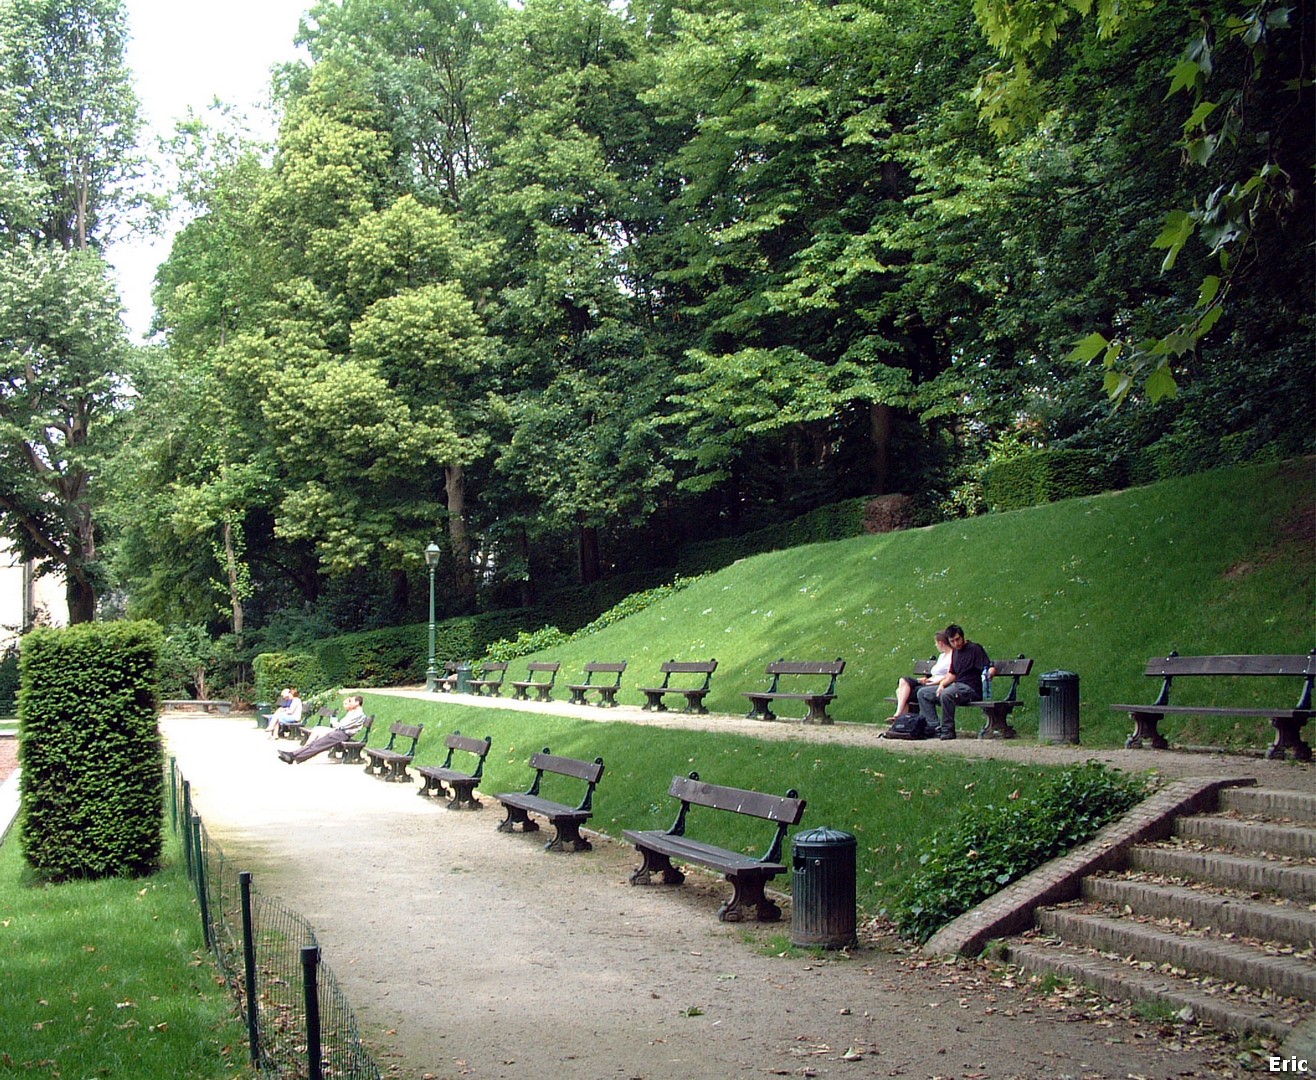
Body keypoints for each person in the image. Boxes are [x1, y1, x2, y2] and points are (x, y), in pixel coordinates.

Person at [915, 624, 994, 740]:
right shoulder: (955, 653)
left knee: (947, 694)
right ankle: (933, 726)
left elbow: (989, 666)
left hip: (971, 689)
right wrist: (941, 685)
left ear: (962, 637)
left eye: (958, 639)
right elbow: (952, 674)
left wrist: (990, 673)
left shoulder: (975, 649)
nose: (956, 643)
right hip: (956, 686)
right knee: (923, 693)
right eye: (952, 641)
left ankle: (948, 729)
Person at [278, 695, 366, 764]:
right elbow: (342, 725)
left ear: (357, 703)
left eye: (351, 701)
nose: (350, 702)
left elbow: (343, 725)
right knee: (315, 743)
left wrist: (336, 724)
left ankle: (295, 757)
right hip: (338, 732)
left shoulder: (359, 714)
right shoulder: (353, 712)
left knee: (318, 746)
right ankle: (292, 754)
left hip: (342, 734)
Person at [887, 631, 951, 722]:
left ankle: (901, 717)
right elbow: (936, 674)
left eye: (936, 643)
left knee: (903, 685)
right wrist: (927, 679)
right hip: (929, 682)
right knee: (901, 688)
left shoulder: (952, 656)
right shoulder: (942, 656)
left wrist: (933, 682)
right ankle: (903, 721)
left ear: (940, 643)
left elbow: (949, 675)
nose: (936, 645)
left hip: (936, 685)